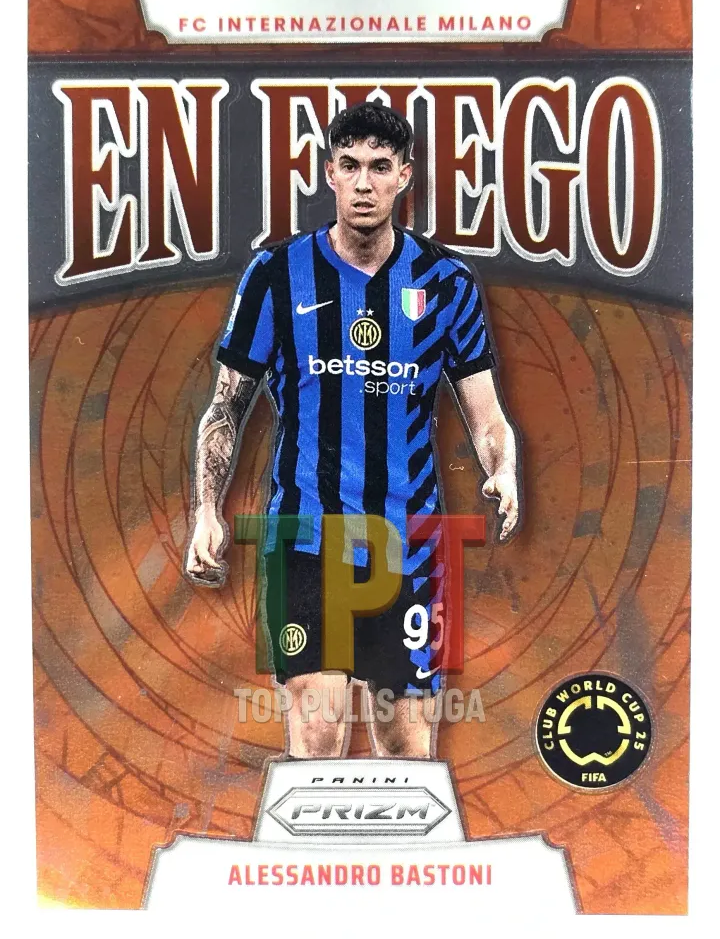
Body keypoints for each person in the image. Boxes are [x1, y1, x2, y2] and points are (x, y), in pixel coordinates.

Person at [185, 102, 521, 759]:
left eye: (380, 167)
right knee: (317, 729)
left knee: (406, 744)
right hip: (307, 537)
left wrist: (503, 468)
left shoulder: (446, 282)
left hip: (409, 544)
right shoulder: (277, 275)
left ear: (404, 177)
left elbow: (487, 417)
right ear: (329, 173)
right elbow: (226, 406)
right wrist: (205, 509)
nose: (364, 183)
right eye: (350, 165)